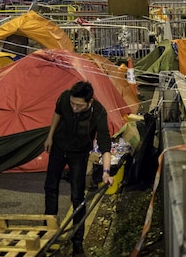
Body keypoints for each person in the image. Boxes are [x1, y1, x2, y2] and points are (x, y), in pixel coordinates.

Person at [44, 81, 114, 256]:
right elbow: (57, 113)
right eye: (73, 103)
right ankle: (49, 234)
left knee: (77, 196)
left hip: (79, 154)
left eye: (79, 105)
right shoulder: (65, 98)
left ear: (89, 103)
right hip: (59, 147)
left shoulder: (98, 112)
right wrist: (50, 137)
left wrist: (106, 172)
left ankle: (77, 243)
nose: (74, 107)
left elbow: (105, 145)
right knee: (50, 187)